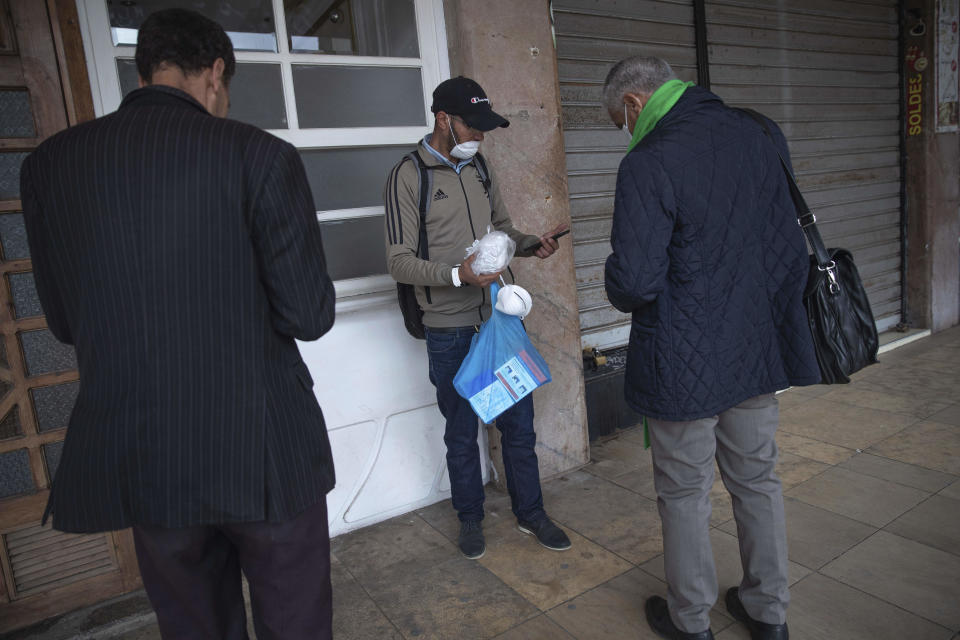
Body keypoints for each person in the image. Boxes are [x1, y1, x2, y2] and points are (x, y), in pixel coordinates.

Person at [20, 9, 337, 640]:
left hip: (147, 456)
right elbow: (308, 315)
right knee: (294, 622)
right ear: (216, 72)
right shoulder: (259, 155)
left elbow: (61, 322)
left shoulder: (50, 167)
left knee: (194, 627)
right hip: (262, 448)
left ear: (145, 71)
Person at [603, 57, 820, 640]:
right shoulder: (760, 132)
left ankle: (691, 621)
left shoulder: (648, 162)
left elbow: (634, 284)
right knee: (757, 480)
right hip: (755, 347)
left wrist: (613, 267)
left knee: (683, 491)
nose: (624, 131)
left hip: (683, 361)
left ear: (632, 104)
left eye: (619, 121)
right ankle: (769, 613)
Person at [384, 76, 572, 560]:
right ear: (444, 119)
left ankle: (530, 512)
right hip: (448, 329)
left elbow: (502, 231)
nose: (480, 137)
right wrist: (456, 275)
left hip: (499, 322)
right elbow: (398, 261)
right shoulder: (409, 176)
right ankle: (470, 518)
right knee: (462, 431)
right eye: (474, 127)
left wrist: (531, 244)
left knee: (518, 424)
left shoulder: (480, 167)